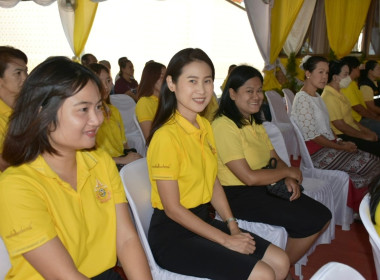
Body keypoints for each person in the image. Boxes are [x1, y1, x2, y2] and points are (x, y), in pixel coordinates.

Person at [0, 57, 152, 280]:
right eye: (83, 109)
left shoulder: (100, 162)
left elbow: (127, 239)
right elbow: (64, 276)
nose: (97, 119)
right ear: (43, 112)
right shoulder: (17, 186)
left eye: (98, 106)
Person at [147, 48, 289, 280]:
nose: (201, 90)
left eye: (207, 81)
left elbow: (212, 181)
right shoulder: (166, 137)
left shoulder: (204, 127)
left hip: (203, 222)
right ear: (171, 84)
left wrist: (232, 225)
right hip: (173, 236)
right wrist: (226, 240)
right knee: (263, 273)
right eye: (192, 81)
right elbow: (172, 209)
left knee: (280, 261)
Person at [212, 65, 331, 275]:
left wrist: (288, 177)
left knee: (322, 214)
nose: (257, 97)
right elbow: (247, 177)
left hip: (264, 185)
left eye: (259, 91)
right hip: (237, 195)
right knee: (312, 219)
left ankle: (279, 269)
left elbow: (274, 157)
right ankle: (280, 271)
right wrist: (287, 173)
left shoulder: (253, 122)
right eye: (249, 91)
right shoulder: (224, 125)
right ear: (232, 93)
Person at [292, 55, 380, 211]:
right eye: (320, 72)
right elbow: (315, 137)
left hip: (328, 147)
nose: (325, 77)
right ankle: (364, 207)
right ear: (308, 73)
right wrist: (342, 147)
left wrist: (341, 142)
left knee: (371, 159)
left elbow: (327, 128)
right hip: (317, 154)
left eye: (326, 72)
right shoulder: (303, 99)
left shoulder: (317, 97)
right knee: (371, 162)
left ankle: (364, 204)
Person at [321, 60, 380, 157]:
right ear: (335, 77)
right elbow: (341, 126)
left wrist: (367, 132)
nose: (349, 78)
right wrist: (364, 136)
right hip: (342, 136)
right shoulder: (329, 96)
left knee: (375, 137)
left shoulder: (339, 93)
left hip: (353, 130)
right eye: (345, 74)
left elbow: (350, 119)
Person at [88, 63, 142, 169]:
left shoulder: (113, 110)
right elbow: (88, 158)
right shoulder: (86, 116)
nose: (105, 86)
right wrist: (122, 160)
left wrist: (132, 156)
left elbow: (124, 144)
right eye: (99, 81)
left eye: (108, 81)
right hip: (102, 167)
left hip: (120, 161)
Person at [0, 46, 28, 173]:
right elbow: (4, 163)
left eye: (26, 72)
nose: (26, 78)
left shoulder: (26, 110)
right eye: (18, 73)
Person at [340, 56, 380, 136]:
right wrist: (375, 118)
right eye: (358, 67)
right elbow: (358, 108)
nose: (360, 69)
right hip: (357, 120)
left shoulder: (352, 83)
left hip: (361, 117)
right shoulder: (347, 85)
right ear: (353, 68)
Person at [135, 61, 166, 140]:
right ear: (152, 78)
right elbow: (149, 137)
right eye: (162, 77)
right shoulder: (144, 102)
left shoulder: (165, 100)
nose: (166, 81)